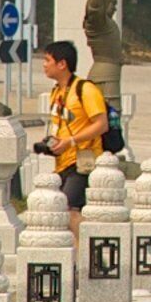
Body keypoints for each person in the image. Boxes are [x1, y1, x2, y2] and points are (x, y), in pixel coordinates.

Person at [34, 40, 106, 211]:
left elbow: (101, 125)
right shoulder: (56, 91)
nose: (44, 65)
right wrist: (52, 143)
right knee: (57, 209)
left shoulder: (85, 89)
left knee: (68, 209)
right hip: (62, 163)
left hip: (82, 162)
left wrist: (71, 141)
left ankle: (80, 239)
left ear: (62, 64)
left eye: (47, 60)